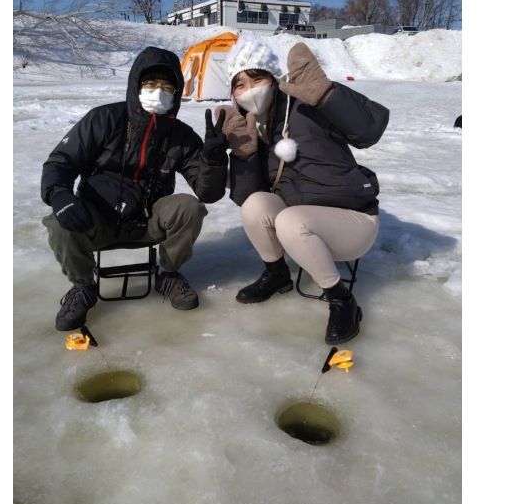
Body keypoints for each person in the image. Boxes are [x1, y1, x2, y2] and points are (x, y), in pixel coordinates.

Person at [41, 46, 229, 331]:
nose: (158, 92)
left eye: (167, 87)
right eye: (150, 84)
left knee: (189, 207)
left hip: (148, 222)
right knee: (58, 221)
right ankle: (83, 286)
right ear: (136, 86)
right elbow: (61, 161)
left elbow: (208, 193)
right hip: (97, 221)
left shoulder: (181, 135)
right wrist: (59, 193)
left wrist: (213, 160)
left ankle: (168, 274)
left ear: (176, 93)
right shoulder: (103, 119)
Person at [216, 36, 389, 344]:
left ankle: (341, 299)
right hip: (303, 224)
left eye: (257, 79)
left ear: (273, 79)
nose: (249, 90)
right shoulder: (257, 127)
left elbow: (370, 129)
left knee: (289, 220)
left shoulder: (307, 103)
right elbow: (247, 196)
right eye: (240, 85)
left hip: (352, 222)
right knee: (256, 205)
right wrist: (245, 154)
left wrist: (327, 96)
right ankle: (276, 274)